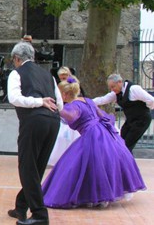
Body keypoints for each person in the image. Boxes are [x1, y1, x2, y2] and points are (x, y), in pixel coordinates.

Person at [42, 76, 146, 208]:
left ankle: (96, 195)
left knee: (84, 163)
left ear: (64, 94)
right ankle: (103, 195)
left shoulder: (73, 105)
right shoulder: (87, 100)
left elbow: (72, 116)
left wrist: (58, 109)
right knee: (103, 161)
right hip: (102, 130)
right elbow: (101, 115)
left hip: (92, 134)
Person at [6, 42, 62, 225]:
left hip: (34, 121)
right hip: (53, 122)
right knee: (37, 168)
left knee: (27, 168)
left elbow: (14, 99)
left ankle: (39, 214)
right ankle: (21, 206)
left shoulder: (16, 73)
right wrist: (44, 102)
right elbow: (59, 104)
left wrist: (38, 102)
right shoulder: (48, 75)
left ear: (16, 58)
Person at [92, 73, 154, 153]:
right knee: (121, 142)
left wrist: (146, 108)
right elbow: (103, 99)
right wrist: (86, 102)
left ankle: (127, 164)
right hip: (130, 120)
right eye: (110, 87)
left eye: (113, 86)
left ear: (120, 82)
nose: (112, 89)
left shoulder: (134, 89)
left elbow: (151, 100)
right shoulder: (116, 94)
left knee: (127, 145)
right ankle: (125, 163)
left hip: (142, 120)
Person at [47, 66, 81, 167]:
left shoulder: (74, 84)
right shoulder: (61, 86)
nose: (62, 79)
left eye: (64, 77)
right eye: (61, 77)